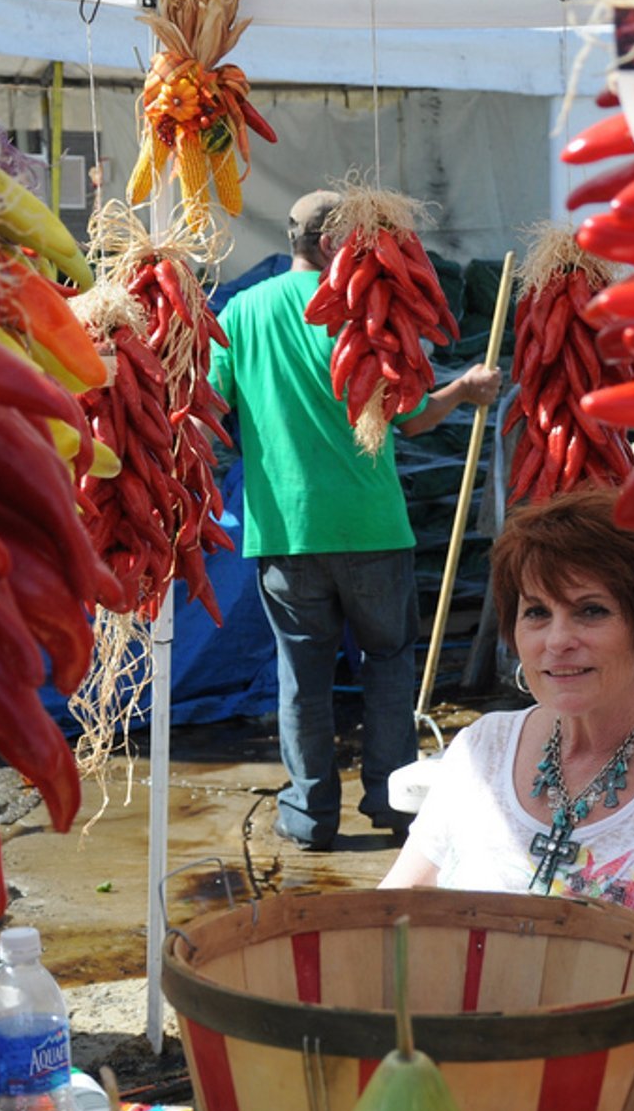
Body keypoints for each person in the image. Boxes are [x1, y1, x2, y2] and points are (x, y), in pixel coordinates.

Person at [380, 489, 634, 1061]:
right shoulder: (482, 747)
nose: (557, 641)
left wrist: (607, 1058)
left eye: (591, 611)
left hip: (616, 1090)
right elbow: (395, 908)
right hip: (446, 1066)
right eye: (536, 613)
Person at [209, 189, 502, 852]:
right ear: (337, 244)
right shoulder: (366, 312)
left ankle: (310, 818)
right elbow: (412, 413)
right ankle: (393, 802)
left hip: (286, 533)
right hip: (373, 529)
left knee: (302, 678)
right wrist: (462, 389)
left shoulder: (242, 311)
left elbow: (208, 406)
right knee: (389, 666)